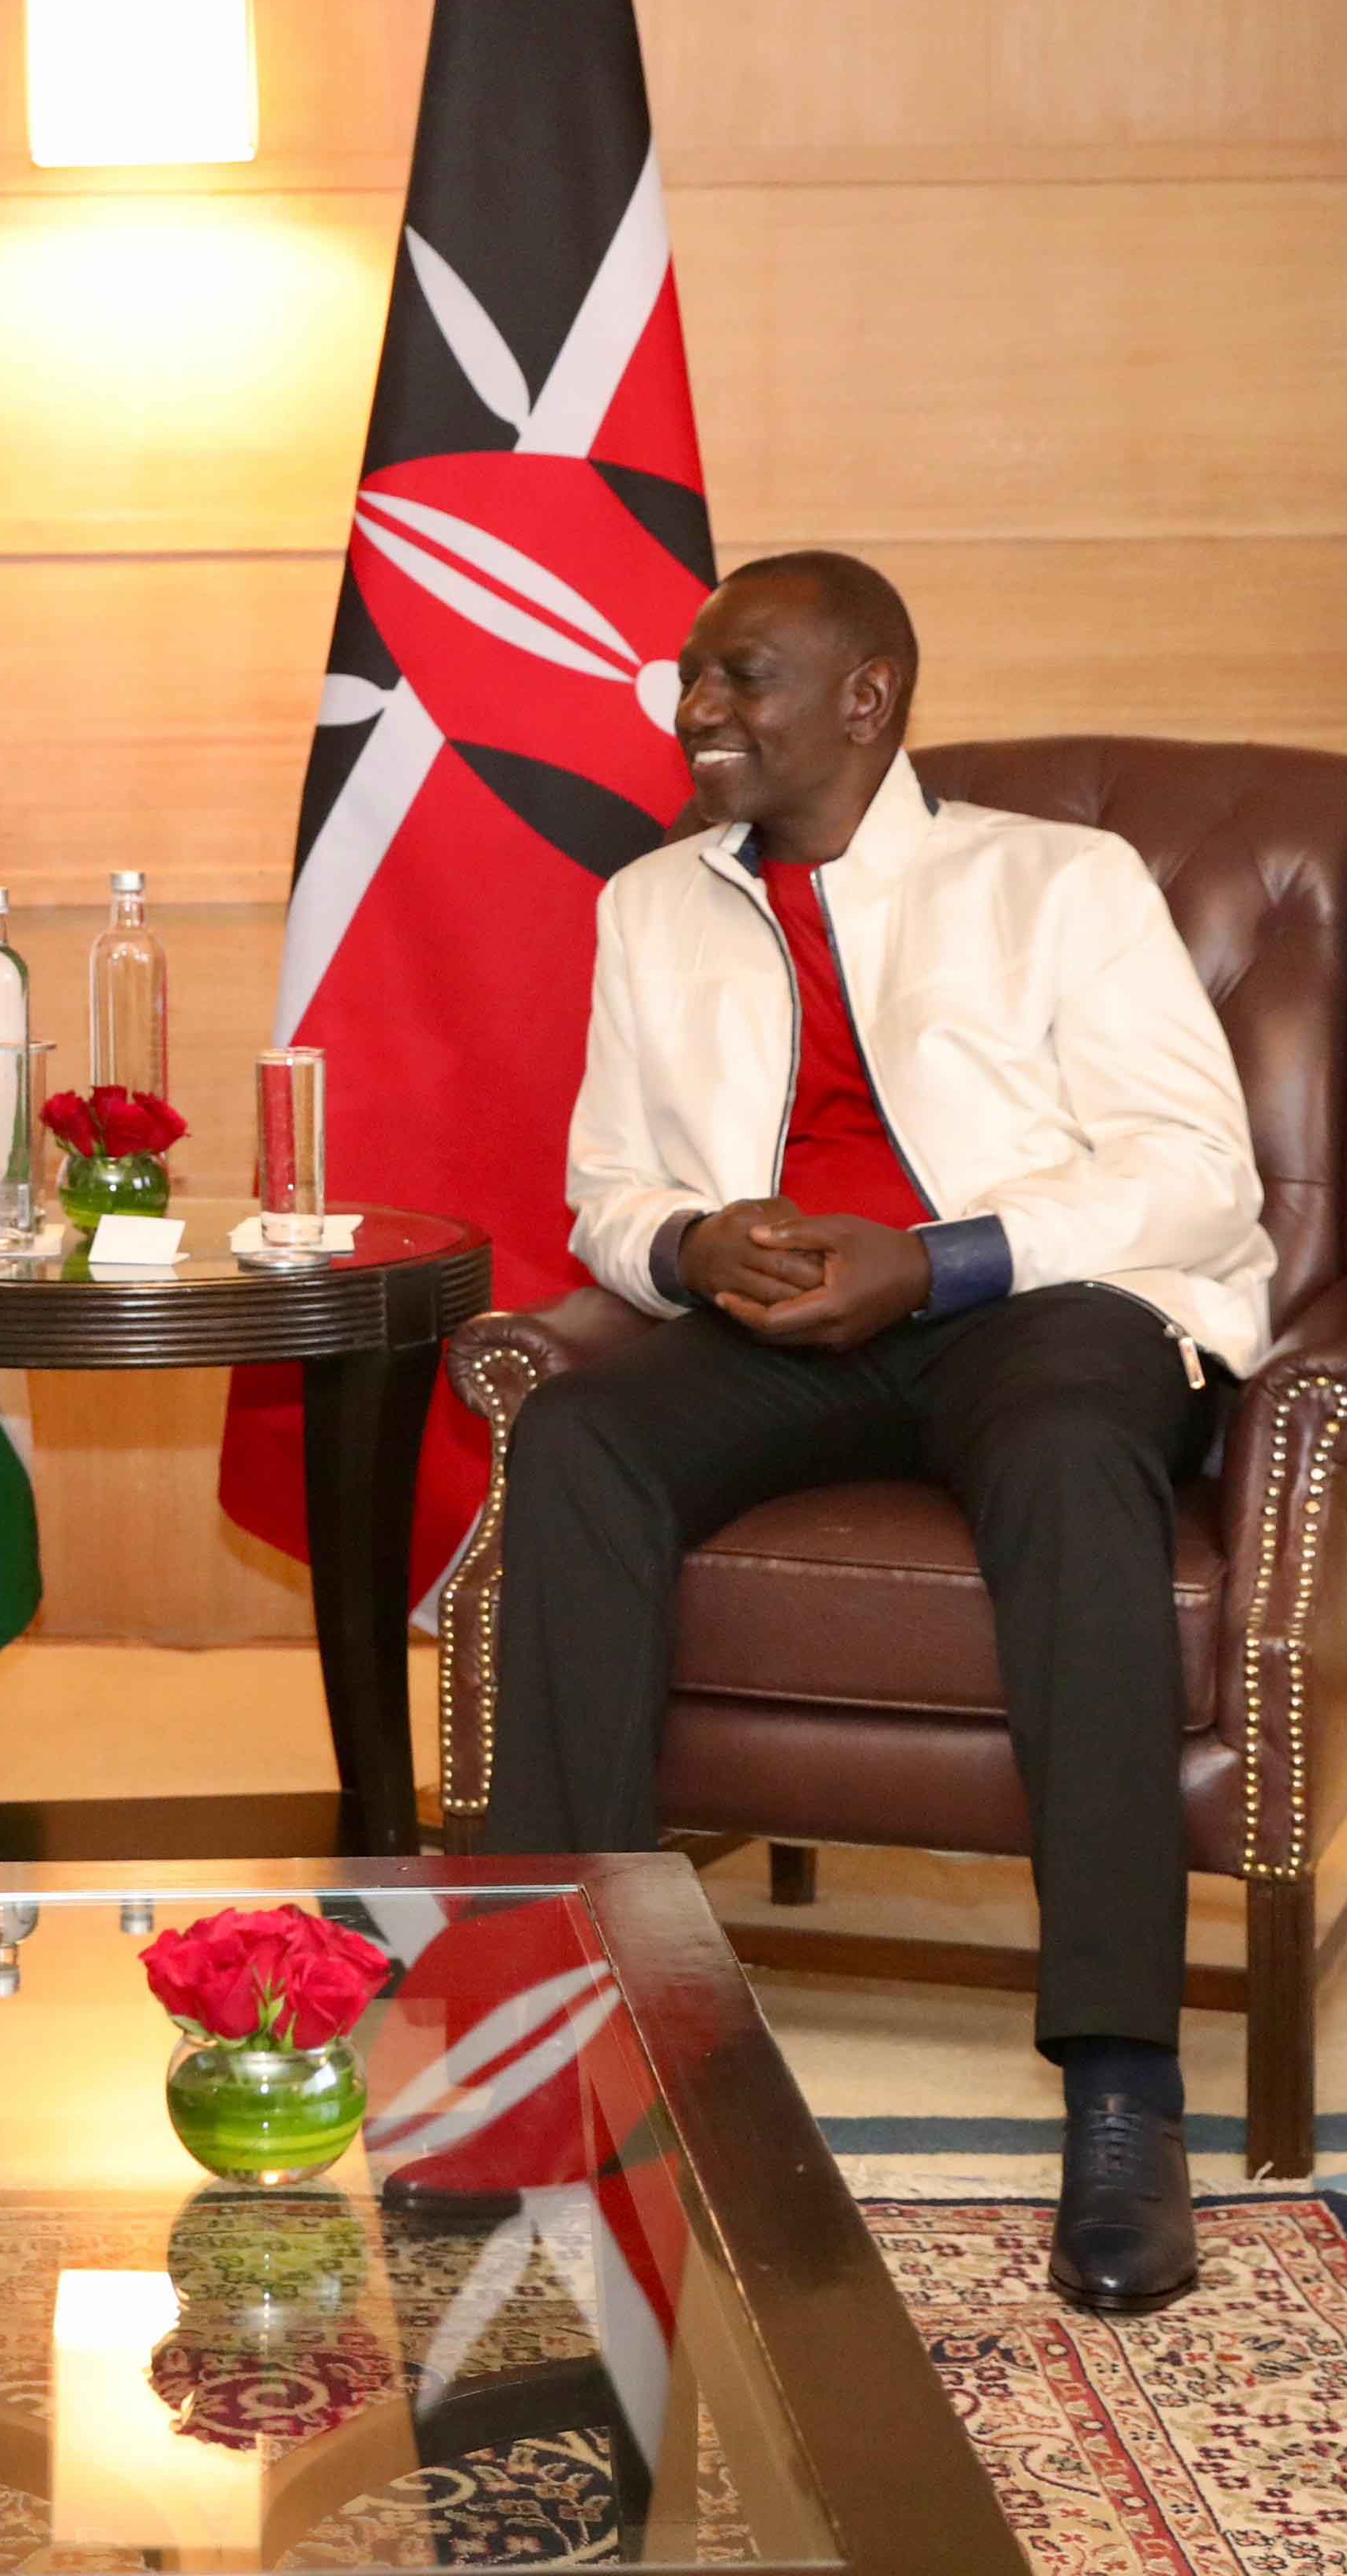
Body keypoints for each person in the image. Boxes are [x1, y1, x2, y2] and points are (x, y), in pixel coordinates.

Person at [489, 549, 1273, 2314]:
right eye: (689, 677)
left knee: (1079, 1468)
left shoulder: (1057, 880)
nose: (695, 709)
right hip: (785, 1324)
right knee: (575, 1443)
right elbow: (605, 1187)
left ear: (867, 694)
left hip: (1041, 1301)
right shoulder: (648, 905)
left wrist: (936, 1258)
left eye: (740, 675)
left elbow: (1187, 1168)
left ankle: (1119, 2086)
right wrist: (688, 1243)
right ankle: (562, 2023)